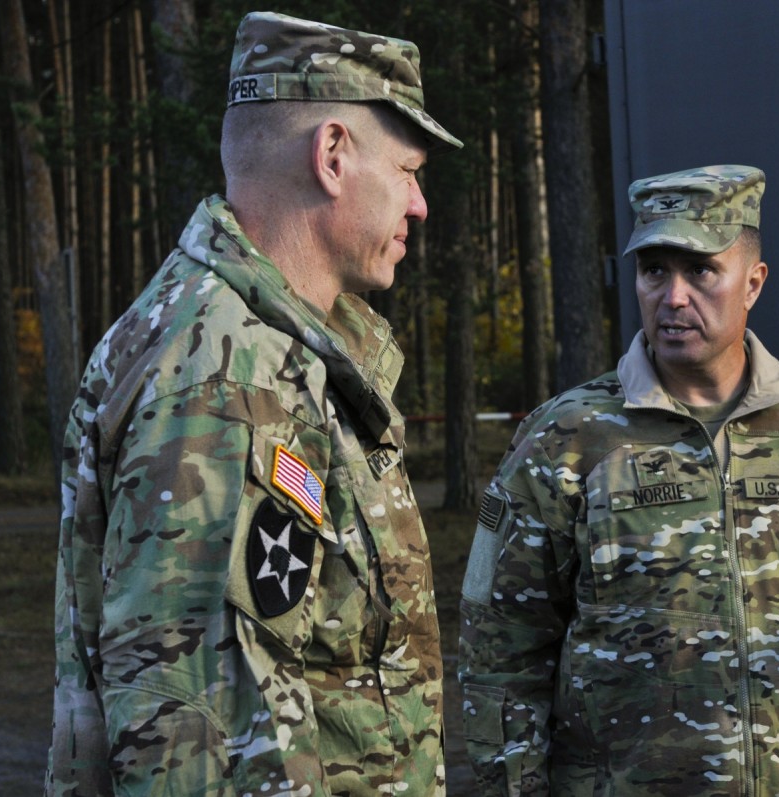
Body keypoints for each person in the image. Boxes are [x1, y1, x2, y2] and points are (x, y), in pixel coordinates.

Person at [457, 165, 779, 795]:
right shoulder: (565, 439)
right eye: (654, 270)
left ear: (753, 284)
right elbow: (499, 651)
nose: (673, 296)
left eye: (701, 271)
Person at [46, 12, 461, 796]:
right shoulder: (226, 378)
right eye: (408, 171)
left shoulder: (275, 350)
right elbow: (202, 740)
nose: (419, 205)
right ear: (333, 156)